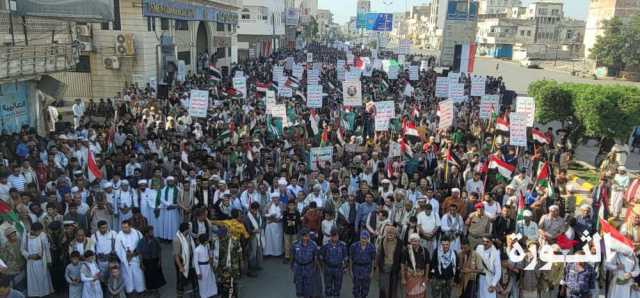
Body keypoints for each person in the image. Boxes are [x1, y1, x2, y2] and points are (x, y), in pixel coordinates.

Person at [21, 222, 54, 297]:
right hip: (31, 263)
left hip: (42, 262)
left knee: (43, 279)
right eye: (39, 231)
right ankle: (35, 294)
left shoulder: (42, 236)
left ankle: (44, 294)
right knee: (33, 281)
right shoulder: (26, 236)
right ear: (33, 230)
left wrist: (49, 261)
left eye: (41, 231)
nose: (40, 232)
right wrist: (29, 256)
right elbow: (22, 250)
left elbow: (46, 249)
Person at [115, 220, 145, 295]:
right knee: (127, 276)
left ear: (130, 226)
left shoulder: (137, 233)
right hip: (126, 261)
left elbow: (141, 245)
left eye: (126, 227)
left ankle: (140, 290)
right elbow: (117, 249)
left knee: (138, 275)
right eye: (122, 227)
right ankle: (130, 292)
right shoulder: (119, 236)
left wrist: (134, 254)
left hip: (136, 258)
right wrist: (125, 257)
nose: (124, 229)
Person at [136, 226, 166, 295]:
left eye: (152, 231)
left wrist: (160, 261)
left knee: (156, 276)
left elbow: (159, 251)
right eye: (150, 232)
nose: (152, 233)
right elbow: (140, 253)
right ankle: (149, 290)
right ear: (146, 233)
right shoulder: (141, 242)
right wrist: (141, 263)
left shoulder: (156, 240)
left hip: (155, 260)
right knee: (148, 276)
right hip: (146, 261)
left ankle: (156, 290)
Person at [320, 228, 348, 298]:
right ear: (331, 236)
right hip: (328, 268)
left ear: (338, 236)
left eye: (336, 236)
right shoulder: (325, 245)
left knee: (337, 287)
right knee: (328, 287)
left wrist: (345, 267)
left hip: (339, 269)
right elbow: (321, 257)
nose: (335, 237)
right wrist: (323, 267)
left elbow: (345, 258)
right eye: (333, 236)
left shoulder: (343, 245)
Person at [291, 229, 320, 298]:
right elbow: (293, 256)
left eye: (307, 235)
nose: (305, 237)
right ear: (301, 236)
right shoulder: (295, 244)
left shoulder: (313, 244)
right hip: (298, 267)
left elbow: (315, 257)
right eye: (304, 236)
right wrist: (292, 266)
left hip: (308, 267)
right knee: (298, 285)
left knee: (308, 286)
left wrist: (315, 268)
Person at [376, 224, 402, 298]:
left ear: (395, 234)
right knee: (383, 289)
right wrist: (377, 268)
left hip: (395, 268)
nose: (390, 234)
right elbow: (378, 255)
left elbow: (402, 257)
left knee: (393, 289)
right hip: (384, 268)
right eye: (388, 232)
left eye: (392, 232)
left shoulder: (400, 243)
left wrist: (401, 270)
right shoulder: (382, 241)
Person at [350, 230, 376, 298]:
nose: (364, 240)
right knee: (356, 289)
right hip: (356, 268)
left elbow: (373, 259)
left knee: (365, 289)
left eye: (365, 238)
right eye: (362, 238)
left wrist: (372, 271)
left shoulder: (371, 247)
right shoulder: (354, 246)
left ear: (368, 239)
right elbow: (351, 259)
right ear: (360, 238)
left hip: (367, 269)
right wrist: (351, 270)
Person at [174, 222, 197, 298]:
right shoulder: (177, 239)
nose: (190, 230)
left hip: (189, 260)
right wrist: (180, 267)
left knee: (190, 276)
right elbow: (176, 256)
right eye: (189, 229)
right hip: (181, 262)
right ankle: (180, 294)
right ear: (186, 230)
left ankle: (190, 292)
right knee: (181, 279)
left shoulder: (188, 235)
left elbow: (195, 236)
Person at [193, 234, 218, 298]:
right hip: (202, 268)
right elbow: (195, 262)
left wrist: (211, 260)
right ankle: (204, 295)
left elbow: (209, 254)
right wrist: (198, 273)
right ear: (204, 241)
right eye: (207, 240)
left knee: (210, 280)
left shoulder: (207, 246)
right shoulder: (197, 250)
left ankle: (210, 293)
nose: (208, 241)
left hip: (208, 266)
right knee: (203, 283)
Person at [157, 176, 181, 240]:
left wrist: (174, 206)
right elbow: (161, 198)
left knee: (174, 224)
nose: (170, 182)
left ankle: (174, 238)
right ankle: (166, 237)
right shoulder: (164, 189)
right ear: (167, 182)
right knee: (166, 224)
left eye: (172, 181)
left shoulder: (178, 189)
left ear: (174, 181)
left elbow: (180, 199)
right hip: (166, 209)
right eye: (169, 181)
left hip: (175, 209)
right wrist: (168, 205)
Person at [243, 202, 263, 277]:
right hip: (252, 237)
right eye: (254, 209)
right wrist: (255, 231)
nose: (255, 211)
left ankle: (257, 265)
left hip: (258, 235)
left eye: (256, 210)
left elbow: (261, 222)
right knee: (252, 254)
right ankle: (250, 270)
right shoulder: (247, 217)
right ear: (251, 209)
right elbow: (248, 229)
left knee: (258, 251)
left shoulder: (257, 214)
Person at [263, 193, 284, 257]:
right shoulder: (268, 204)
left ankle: (278, 253)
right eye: (274, 198)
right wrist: (270, 216)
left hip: (278, 225)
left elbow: (283, 213)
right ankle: (268, 253)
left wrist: (280, 217)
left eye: (276, 198)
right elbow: (264, 214)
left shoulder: (281, 204)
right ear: (271, 198)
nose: (275, 199)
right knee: (269, 239)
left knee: (278, 240)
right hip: (270, 224)